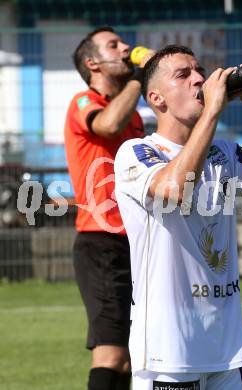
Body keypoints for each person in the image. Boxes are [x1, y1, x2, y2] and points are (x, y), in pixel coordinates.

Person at [114, 45, 242, 389]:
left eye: (199, 71)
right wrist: (213, 111)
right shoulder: (137, 152)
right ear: (156, 98)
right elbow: (174, 189)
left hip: (231, 349)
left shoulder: (225, 152)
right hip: (170, 355)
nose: (200, 79)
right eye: (183, 74)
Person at [64, 27, 152, 390]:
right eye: (114, 45)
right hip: (102, 243)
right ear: (92, 62)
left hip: (138, 240)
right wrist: (141, 77)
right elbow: (107, 124)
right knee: (111, 353)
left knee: (135, 354)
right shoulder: (83, 102)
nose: (126, 48)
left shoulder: (135, 116)